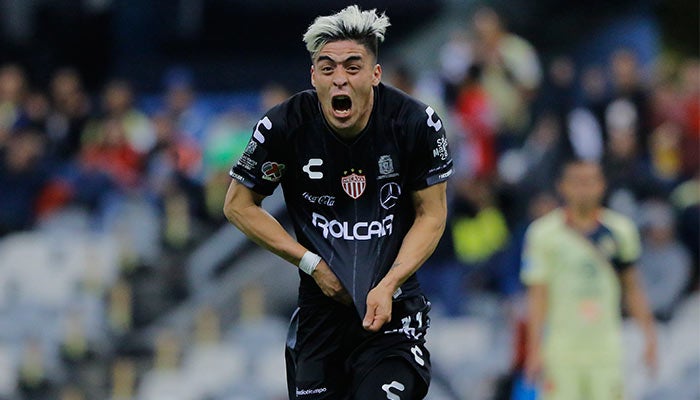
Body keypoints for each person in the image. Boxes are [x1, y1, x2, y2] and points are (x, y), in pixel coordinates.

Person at [223, 5, 453, 400]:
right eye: (327, 68)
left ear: (375, 74)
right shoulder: (284, 126)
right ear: (314, 76)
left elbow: (431, 214)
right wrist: (311, 264)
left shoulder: (414, 123)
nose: (340, 79)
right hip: (320, 318)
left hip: (392, 312)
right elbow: (238, 205)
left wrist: (389, 283)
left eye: (352, 67)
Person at [521, 159, 658, 400]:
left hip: (605, 352)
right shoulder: (543, 234)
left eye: (590, 181)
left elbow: (633, 287)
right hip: (561, 352)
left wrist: (649, 337)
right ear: (562, 186)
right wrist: (534, 350)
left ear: (602, 185)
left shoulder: (620, 231)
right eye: (576, 182)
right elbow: (537, 295)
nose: (583, 189)